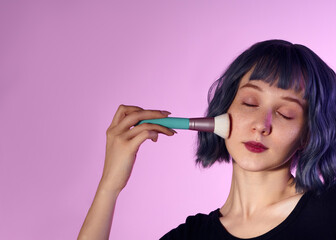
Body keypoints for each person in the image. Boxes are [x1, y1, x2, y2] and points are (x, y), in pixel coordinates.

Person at [77, 40, 336, 240]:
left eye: (285, 114)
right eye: (249, 102)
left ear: (308, 134)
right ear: (225, 110)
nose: (261, 125)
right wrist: (109, 187)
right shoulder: (192, 236)